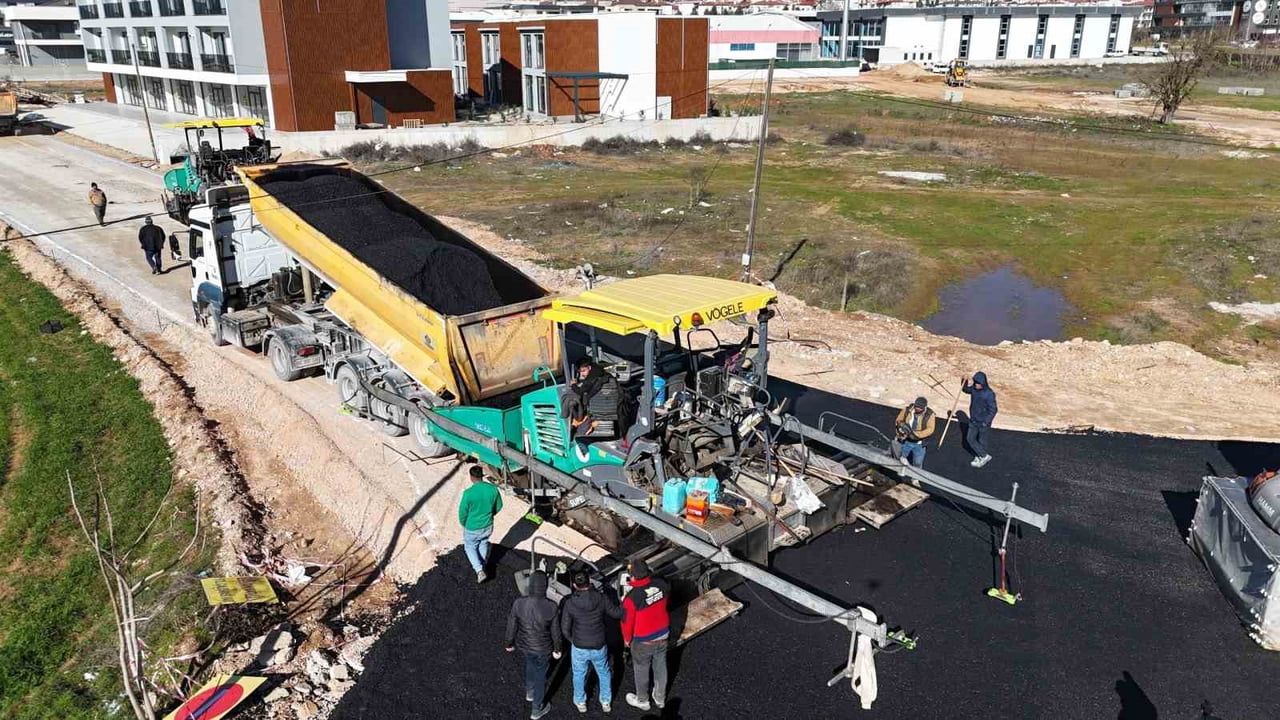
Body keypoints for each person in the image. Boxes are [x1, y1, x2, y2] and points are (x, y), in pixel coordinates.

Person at [560, 569, 623, 713]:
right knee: (604, 672)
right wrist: (626, 602)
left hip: (579, 646)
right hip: (599, 644)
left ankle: (580, 702)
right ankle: (606, 702)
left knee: (579, 674)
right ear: (589, 582)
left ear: (574, 585)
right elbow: (616, 613)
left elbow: (565, 629)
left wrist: (574, 640)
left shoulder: (570, 603)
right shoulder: (601, 598)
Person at [505, 571, 562, 720]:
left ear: (530, 585)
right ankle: (537, 709)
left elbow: (512, 624)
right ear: (544, 586)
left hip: (525, 645)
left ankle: (530, 693)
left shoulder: (519, 603)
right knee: (540, 677)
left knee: (530, 665)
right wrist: (558, 649)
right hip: (544, 648)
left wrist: (509, 642)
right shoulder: (552, 606)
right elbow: (556, 632)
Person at [621, 559, 670, 712]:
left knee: (641, 669)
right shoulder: (662, 584)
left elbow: (627, 623)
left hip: (643, 640)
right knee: (660, 665)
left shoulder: (631, 598)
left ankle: (642, 700)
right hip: (663, 633)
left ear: (633, 577)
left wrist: (627, 640)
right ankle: (660, 698)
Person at [457, 464, 502, 583]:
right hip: (488, 526)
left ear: (471, 477)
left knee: (470, 546)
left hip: (472, 527)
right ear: (482, 476)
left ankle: (479, 570)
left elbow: (462, 512)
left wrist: (464, 523)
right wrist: (491, 515)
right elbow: (499, 506)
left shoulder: (468, 493)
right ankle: (482, 564)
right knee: (483, 543)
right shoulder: (493, 489)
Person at [962, 371, 997, 468]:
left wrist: (986, 422)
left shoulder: (989, 394)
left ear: (983, 383)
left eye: (978, 383)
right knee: (970, 438)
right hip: (973, 420)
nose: (976, 384)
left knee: (982, 441)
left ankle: (983, 457)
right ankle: (982, 455)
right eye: (975, 382)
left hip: (983, 423)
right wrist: (964, 381)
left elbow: (993, 409)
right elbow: (965, 389)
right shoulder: (974, 389)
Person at [892, 396, 936, 468]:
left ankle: (915, 477)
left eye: (920, 407)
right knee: (900, 458)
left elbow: (930, 429)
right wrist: (900, 430)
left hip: (919, 443)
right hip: (906, 440)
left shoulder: (930, 415)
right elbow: (898, 420)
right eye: (916, 406)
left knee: (918, 462)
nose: (917, 408)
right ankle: (900, 471)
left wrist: (916, 434)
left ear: (924, 407)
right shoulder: (907, 410)